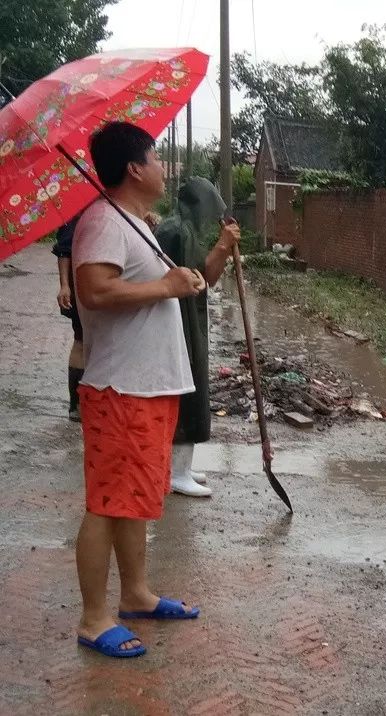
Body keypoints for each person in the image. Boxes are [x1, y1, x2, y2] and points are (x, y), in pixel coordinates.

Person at [72, 121, 205, 659]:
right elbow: (95, 290)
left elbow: (138, 283)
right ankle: (92, 617)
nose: (163, 167)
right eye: (155, 156)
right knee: (106, 502)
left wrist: (180, 279)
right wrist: (165, 286)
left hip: (148, 386)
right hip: (120, 387)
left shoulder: (132, 221)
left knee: (133, 500)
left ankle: (135, 594)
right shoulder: (103, 221)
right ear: (133, 168)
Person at [155, 177, 240, 497]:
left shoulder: (189, 232)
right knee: (185, 393)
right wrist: (221, 246)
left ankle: (182, 466)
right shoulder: (173, 231)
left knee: (194, 388)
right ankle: (175, 472)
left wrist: (223, 247)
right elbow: (187, 279)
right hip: (177, 321)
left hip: (192, 321)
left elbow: (207, 278)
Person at [54, 215, 85, 421]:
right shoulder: (76, 213)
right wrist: (65, 285)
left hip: (100, 282)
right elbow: (64, 250)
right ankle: (76, 405)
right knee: (81, 340)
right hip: (81, 284)